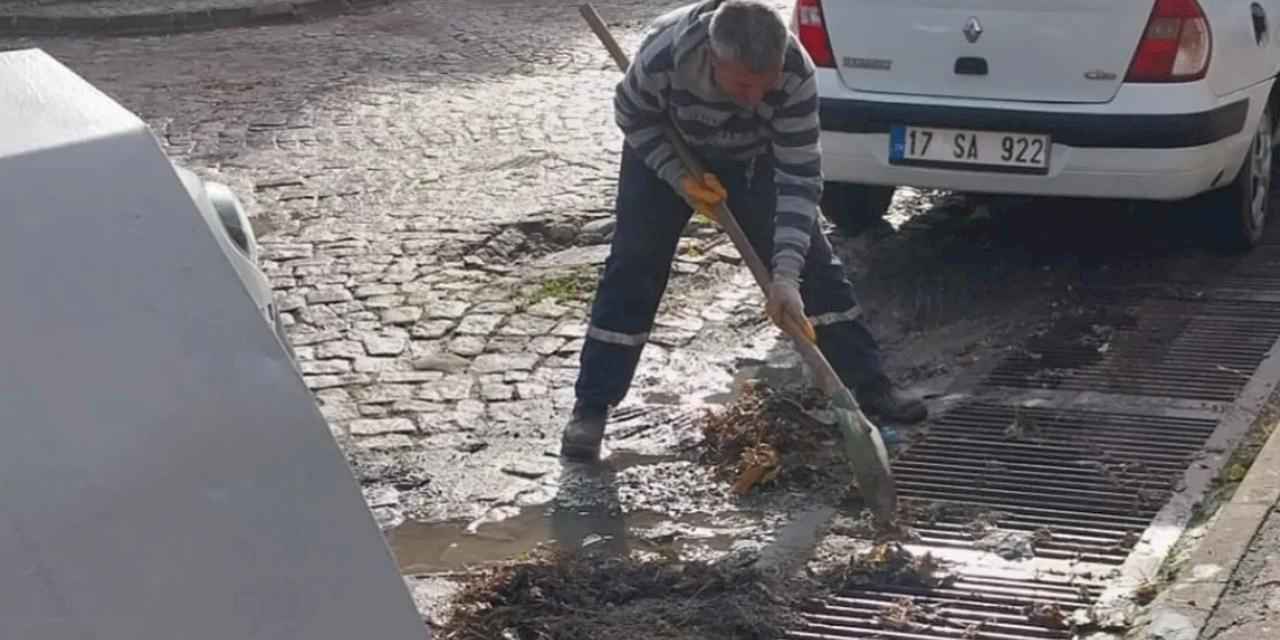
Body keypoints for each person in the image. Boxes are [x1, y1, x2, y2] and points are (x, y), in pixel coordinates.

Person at [560, 0, 926, 461]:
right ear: (715, 60)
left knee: (814, 265)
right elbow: (631, 115)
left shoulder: (794, 72)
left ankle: (869, 387)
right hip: (667, 150)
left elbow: (798, 176)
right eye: (743, 85)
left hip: (753, 159)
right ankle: (591, 406)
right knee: (634, 265)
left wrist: (786, 277)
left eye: (764, 84)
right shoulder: (663, 57)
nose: (756, 97)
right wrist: (679, 177)